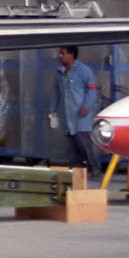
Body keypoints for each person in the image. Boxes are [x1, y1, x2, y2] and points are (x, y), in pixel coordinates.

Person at [50, 46, 99, 176]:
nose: (60, 56)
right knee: (71, 143)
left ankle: (93, 166)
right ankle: (75, 167)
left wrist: (86, 106)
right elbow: (56, 92)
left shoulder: (83, 71)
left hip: (81, 114)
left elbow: (92, 89)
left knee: (83, 140)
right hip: (67, 113)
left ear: (71, 55)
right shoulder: (59, 72)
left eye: (63, 53)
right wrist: (52, 109)